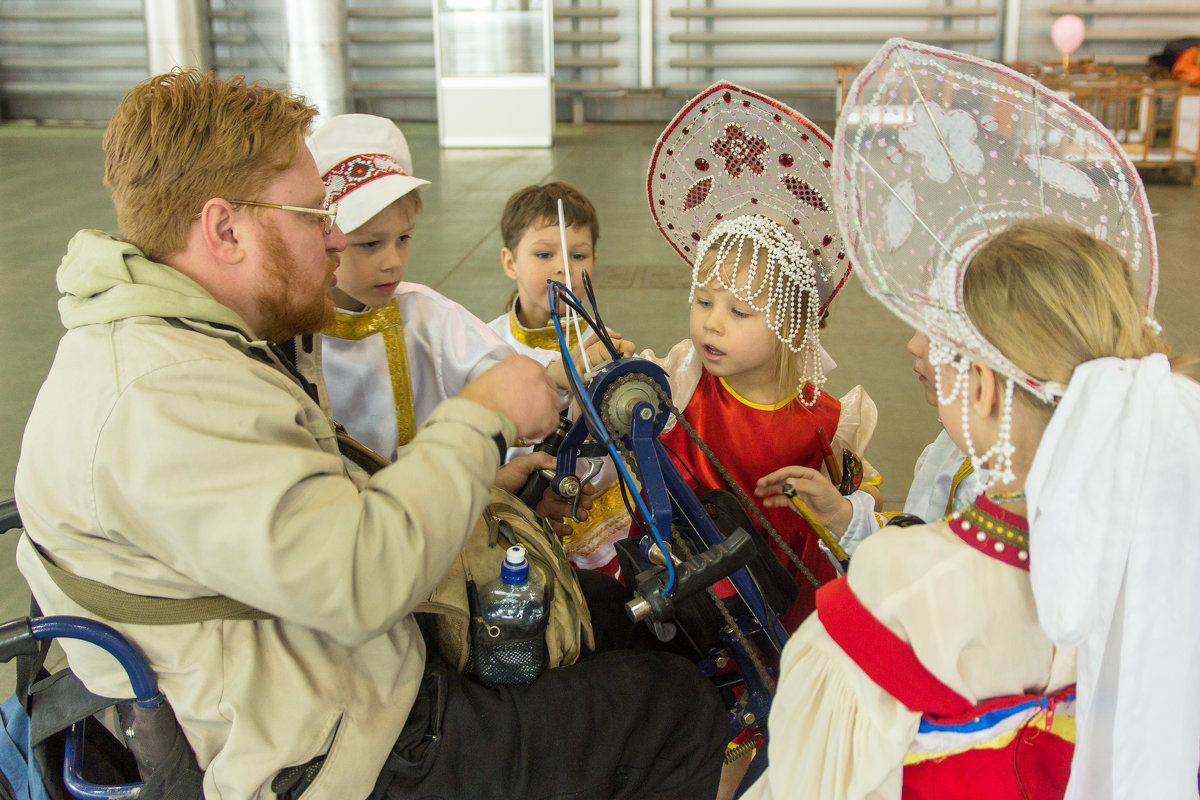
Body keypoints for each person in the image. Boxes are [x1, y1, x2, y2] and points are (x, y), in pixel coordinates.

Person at [13, 70, 727, 800]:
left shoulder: (187, 344)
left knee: (609, 612)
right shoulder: (162, 395)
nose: (334, 238)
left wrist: (475, 475)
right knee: (674, 709)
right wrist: (481, 418)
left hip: (305, 666)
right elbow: (361, 580)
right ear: (224, 229)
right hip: (327, 748)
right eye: (312, 214)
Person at [745, 38, 1200, 799]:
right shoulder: (1168, 543)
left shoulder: (896, 595)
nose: (917, 346)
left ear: (984, 387)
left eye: (936, 330)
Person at [642, 82, 882, 629]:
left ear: (793, 324)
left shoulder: (829, 422)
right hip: (682, 593)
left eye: (740, 312)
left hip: (781, 604)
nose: (712, 321)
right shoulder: (682, 381)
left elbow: (848, 512)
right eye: (702, 300)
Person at [304, 113, 515, 462]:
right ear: (325, 235)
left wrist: (558, 374)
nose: (393, 261)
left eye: (403, 238)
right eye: (371, 244)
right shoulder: (294, 333)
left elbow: (499, 365)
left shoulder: (424, 313)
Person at [489, 181, 635, 574]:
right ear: (509, 262)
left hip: (603, 524)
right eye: (543, 254)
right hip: (516, 524)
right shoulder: (483, 345)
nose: (563, 268)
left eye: (578, 255)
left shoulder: (605, 345)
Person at [756, 330, 987, 559]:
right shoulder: (955, 443)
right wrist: (840, 515)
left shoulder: (989, 487)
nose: (913, 345)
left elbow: (923, 576)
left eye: (936, 333)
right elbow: (915, 538)